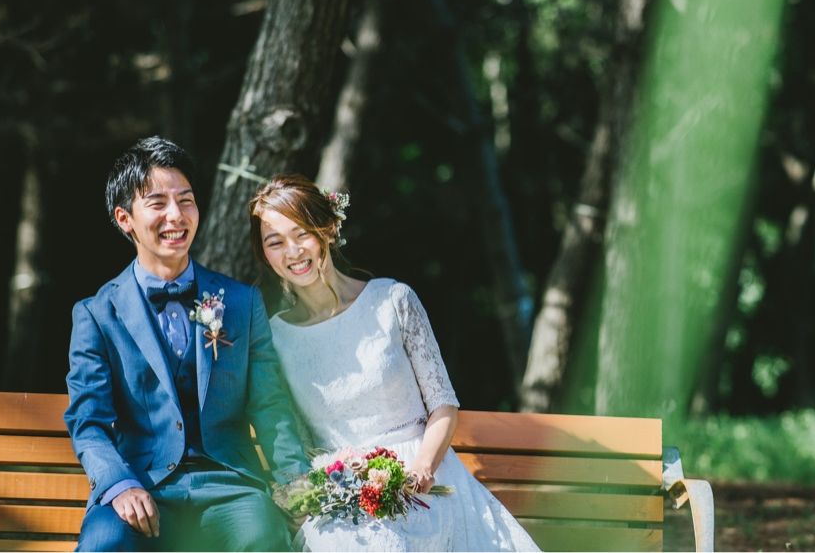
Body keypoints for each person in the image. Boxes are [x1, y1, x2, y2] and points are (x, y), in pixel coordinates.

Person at [250, 174, 540, 552]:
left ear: (329, 230)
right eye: (275, 242)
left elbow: (443, 405)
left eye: (301, 233)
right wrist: (305, 495)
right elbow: (295, 437)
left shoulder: (393, 300)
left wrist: (422, 469)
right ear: (265, 254)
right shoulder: (276, 338)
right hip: (343, 492)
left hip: (423, 478)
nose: (292, 251)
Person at [64, 137, 310, 552]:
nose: (176, 216)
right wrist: (119, 484)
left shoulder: (242, 303)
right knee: (104, 544)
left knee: (264, 538)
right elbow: (88, 422)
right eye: (158, 203)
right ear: (125, 219)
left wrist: (298, 487)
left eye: (186, 200)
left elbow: (270, 407)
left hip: (229, 486)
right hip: (141, 483)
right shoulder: (96, 313)